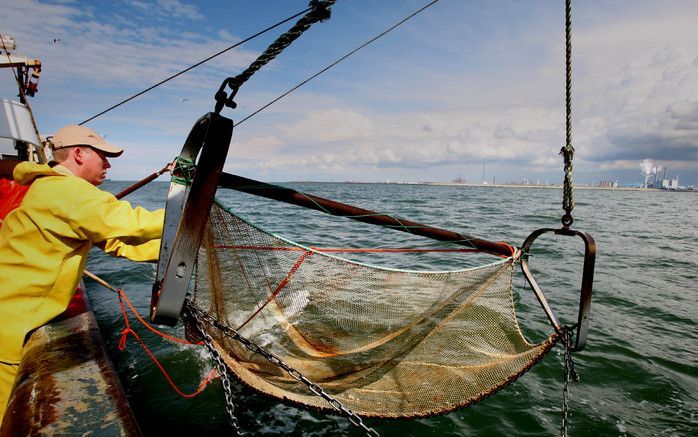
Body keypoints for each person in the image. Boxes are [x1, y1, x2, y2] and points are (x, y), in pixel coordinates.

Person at [0, 125, 165, 423]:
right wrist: (192, 214)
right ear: (78, 154)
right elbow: (128, 222)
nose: (109, 164)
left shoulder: (48, 187)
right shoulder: (68, 191)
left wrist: (174, 246)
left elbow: (116, 241)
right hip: (10, 330)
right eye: (103, 156)